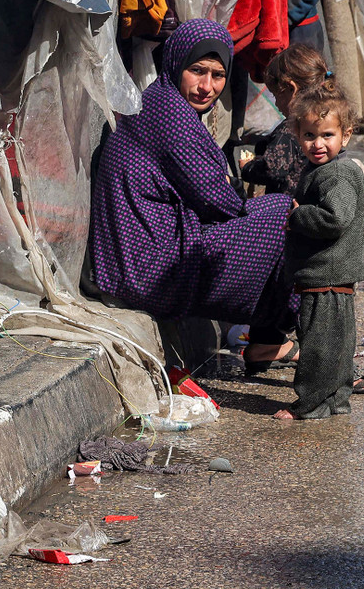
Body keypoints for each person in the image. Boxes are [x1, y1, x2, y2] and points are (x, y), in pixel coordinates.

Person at [89, 19, 299, 375]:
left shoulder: (160, 100)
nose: (207, 86)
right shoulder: (171, 116)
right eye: (197, 70)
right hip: (148, 268)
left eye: (218, 75)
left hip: (139, 255)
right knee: (287, 216)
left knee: (286, 215)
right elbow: (220, 203)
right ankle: (305, 341)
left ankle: (270, 338)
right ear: (176, 63)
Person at [274, 82, 364, 420]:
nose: (318, 144)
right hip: (332, 276)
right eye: (310, 135)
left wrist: (296, 216)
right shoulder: (326, 170)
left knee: (319, 348)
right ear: (297, 134)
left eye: (327, 135)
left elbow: (335, 218)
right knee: (337, 346)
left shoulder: (336, 173)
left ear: (346, 134)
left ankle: (310, 405)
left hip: (327, 275)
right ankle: (334, 401)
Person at [242, 44, 328, 196]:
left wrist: (248, 167)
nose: (276, 103)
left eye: (276, 95)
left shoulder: (291, 128)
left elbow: (273, 169)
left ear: (291, 88)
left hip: (287, 209)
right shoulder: (327, 118)